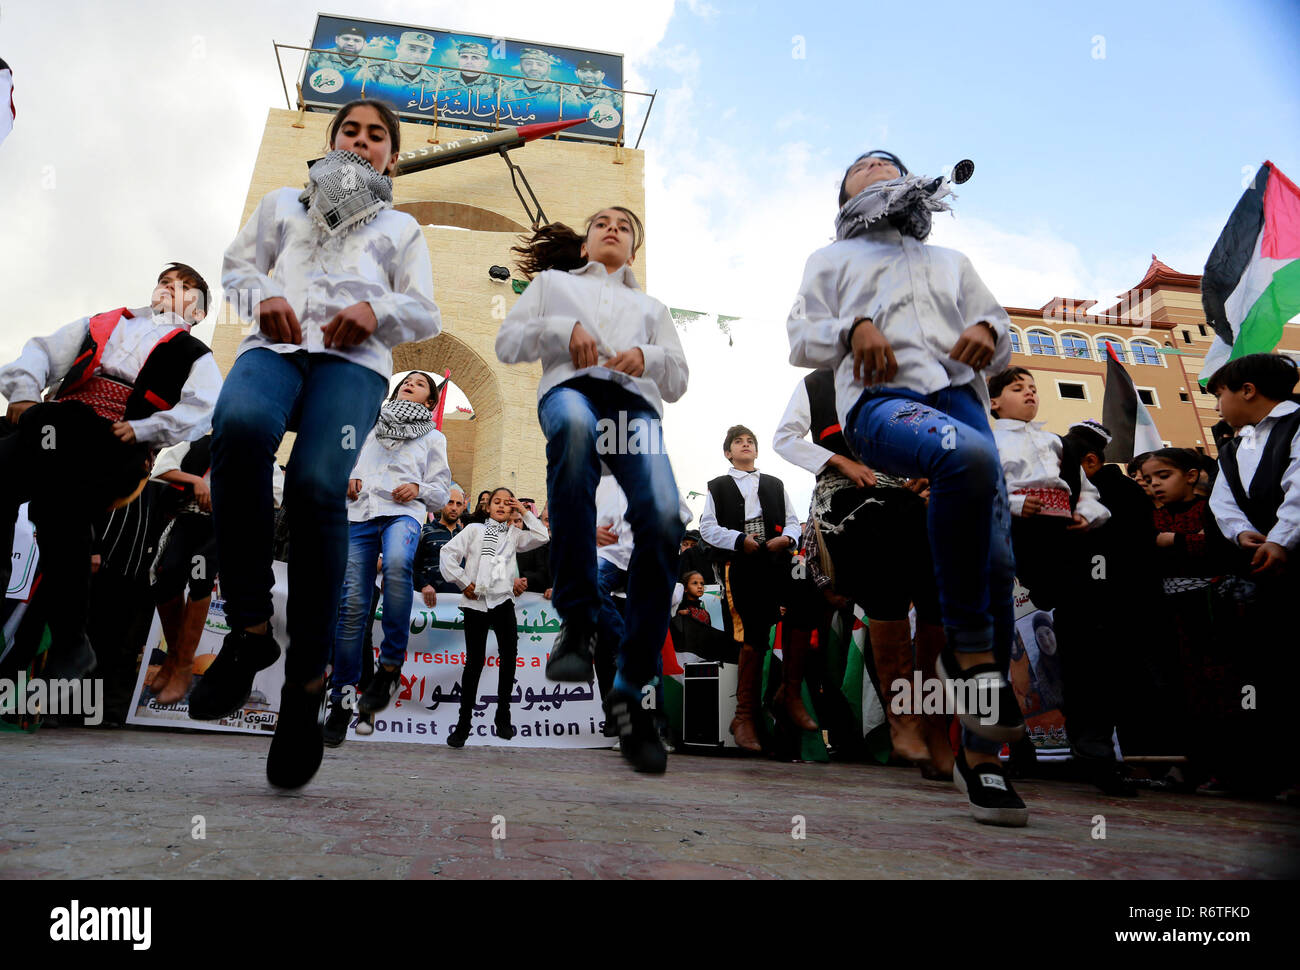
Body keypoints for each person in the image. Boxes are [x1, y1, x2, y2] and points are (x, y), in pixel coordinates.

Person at [195, 98, 441, 789]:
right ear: (331, 143)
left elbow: (424, 309)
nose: (361, 142)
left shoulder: (402, 226)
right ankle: (248, 632)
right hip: (273, 351)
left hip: (351, 365)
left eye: (376, 137)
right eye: (350, 131)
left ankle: (306, 680)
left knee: (313, 486)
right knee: (239, 430)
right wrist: (264, 294)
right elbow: (237, 270)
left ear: (391, 156)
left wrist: (376, 309)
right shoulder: (281, 203)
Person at [786, 148, 1027, 826]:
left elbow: (1000, 332)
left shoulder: (953, 262)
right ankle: (970, 654)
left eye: (891, 161)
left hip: (961, 397)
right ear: (845, 194)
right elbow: (801, 333)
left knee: (999, 566)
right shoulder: (829, 261)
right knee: (970, 458)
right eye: (864, 165)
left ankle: (982, 760)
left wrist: (987, 332)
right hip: (880, 402)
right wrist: (852, 327)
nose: (881, 166)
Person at [496, 205, 688, 773]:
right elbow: (509, 342)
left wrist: (646, 358)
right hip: (571, 389)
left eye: (625, 226)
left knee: (661, 516)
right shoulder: (552, 286)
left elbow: (678, 378)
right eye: (601, 222)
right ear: (585, 243)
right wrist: (563, 330)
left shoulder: (651, 309)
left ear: (634, 249)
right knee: (576, 432)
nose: (612, 228)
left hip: (633, 406)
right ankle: (578, 621)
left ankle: (631, 686)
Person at [0, 262, 221, 680]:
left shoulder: (196, 355)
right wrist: (27, 392)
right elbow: (41, 351)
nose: (172, 289)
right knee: (55, 505)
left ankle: (60, 643)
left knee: (60, 489)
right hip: (52, 427)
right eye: (166, 282)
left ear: (198, 313)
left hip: (116, 445)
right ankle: (67, 640)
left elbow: (203, 407)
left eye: (187, 289)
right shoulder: (103, 323)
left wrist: (144, 428)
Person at [774, 367, 951, 775]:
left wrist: (925, 474)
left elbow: (931, 441)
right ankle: (901, 719)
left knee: (936, 589)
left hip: (901, 501)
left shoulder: (904, 383)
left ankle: (933, 726)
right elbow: (785, 438)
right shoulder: (818, 383)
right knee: (882, 561)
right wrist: (838, 460)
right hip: (844, 501)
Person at [323, 370, 451, 746]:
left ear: (430, 401)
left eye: (420, 384)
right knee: (352, 607)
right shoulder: (367, 425)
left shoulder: (434, 436)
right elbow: (340, 460)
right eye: (405, 381)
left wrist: (418, 487)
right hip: (359, 514)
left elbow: (441, 493)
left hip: (403, 513)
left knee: (397, 566)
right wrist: (346, 477)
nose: (409, 384)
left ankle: (391, 666)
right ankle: (341, 701)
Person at [1207, 353, 1300, 795]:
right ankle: (1267, 770)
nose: (1218, 405)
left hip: (1291, 557)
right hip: (1262, 570)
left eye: (1221, 393)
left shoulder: (1297, 423)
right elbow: (1222, 501)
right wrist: (1241, 531)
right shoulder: (1233, 448)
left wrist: (1283, 538)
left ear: (1247, 390)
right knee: (1266, 672)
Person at [699, 425, 801, 752]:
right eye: (738, 442)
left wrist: (788, 538)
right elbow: (707, 528)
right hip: (740, 564)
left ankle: (780, 708)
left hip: (774, 562)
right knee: (752, 635)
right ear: (728, 452)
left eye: (750, 442)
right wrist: (739, 540)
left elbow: (793, 521)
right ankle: (744, 716)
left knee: (787, 628)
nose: (745, 445)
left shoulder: (775, 483)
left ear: (756, 450)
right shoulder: (718, 486)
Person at [989, 366, 1111, 611]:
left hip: (1062, 532)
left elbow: (1085, 489)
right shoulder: (987, 443)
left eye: (1033, 389)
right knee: (1025, 601)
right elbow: (973, 490)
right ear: (994, 403)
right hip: (1014, 533)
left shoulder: (1057, 443)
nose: (1029, 393)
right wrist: (1013, 504)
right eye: (1018, 388)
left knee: (1070, 602)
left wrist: (1087, 513)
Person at [439, 488, 548, 747]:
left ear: (511, 509)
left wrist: (523, 511)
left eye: (505, 503)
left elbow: (543, 536)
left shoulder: (515, 536)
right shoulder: (474, 531)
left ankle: (503, 714)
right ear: (487, 507)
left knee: (509, 659)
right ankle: (463, 725)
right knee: (474, 664)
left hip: (503, 601)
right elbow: (447, 553)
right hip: (475, 604)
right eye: (495, 502)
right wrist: (463, 581)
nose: (500, 506)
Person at [147, 432, 219, 707]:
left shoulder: (252, 448)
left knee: (200, 575)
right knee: (166, 578)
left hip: (220, 525)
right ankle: (175, 659)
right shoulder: (197, 442)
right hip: (188, 520)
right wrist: (195, 481)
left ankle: (185, 665)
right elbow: (161, 468)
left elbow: (274, 492)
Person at [413, 484, 467, 600]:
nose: (454, 508)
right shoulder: (424, 532)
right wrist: (423, 585)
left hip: (459, 604)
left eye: (458, 504)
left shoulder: (467, 537)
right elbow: (412, 565)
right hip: (427, 603)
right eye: (450, 502)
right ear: (442, 505)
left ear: (463, 508)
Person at [357, 31, 439, 89]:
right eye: (411, 49)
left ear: (430, 54)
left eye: (424, 51)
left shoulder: (436, 81)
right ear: (398, 49)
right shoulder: (373, 71)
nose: (417, 56)